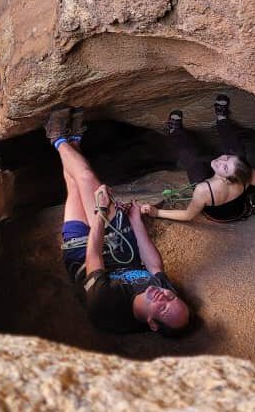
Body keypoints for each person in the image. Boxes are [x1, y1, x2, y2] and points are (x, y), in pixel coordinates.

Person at [45, 107, 190, 335]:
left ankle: (57, 137)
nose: (165, 296)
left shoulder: (107, 307)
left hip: (84, 253)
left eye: (162, 307)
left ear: (152, 323)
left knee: (76, 184)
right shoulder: (163, 292)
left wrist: (101, 214)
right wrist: (136, 221)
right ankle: (71, 140)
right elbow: (154, 267)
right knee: (83, 178)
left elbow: (94, 257)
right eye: (172, 297)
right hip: (122, 247)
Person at [141, 94, 255, 223]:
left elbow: (188, 215)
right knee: (237, 154)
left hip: (217, 211)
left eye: (224, 167)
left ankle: (175, 133)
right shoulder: (247, 173)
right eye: (226, 158)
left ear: (226, 179)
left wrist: (157, 212)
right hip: (238, 206)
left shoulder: (203, 190)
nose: (221, 160)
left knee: (194, 162)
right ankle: (222, 119)